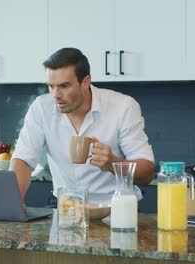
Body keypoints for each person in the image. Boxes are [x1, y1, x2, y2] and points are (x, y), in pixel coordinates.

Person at [11, 47, 155, 207]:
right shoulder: (41, 108)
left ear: (85, 82)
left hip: (116, 207)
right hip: (65, 207)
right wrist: (13, 201)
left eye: (64, 86)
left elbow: (147, 171)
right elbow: (23, 159)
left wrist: (113, 163)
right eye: (51, 86)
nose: (55, 95)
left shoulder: (123, 106)